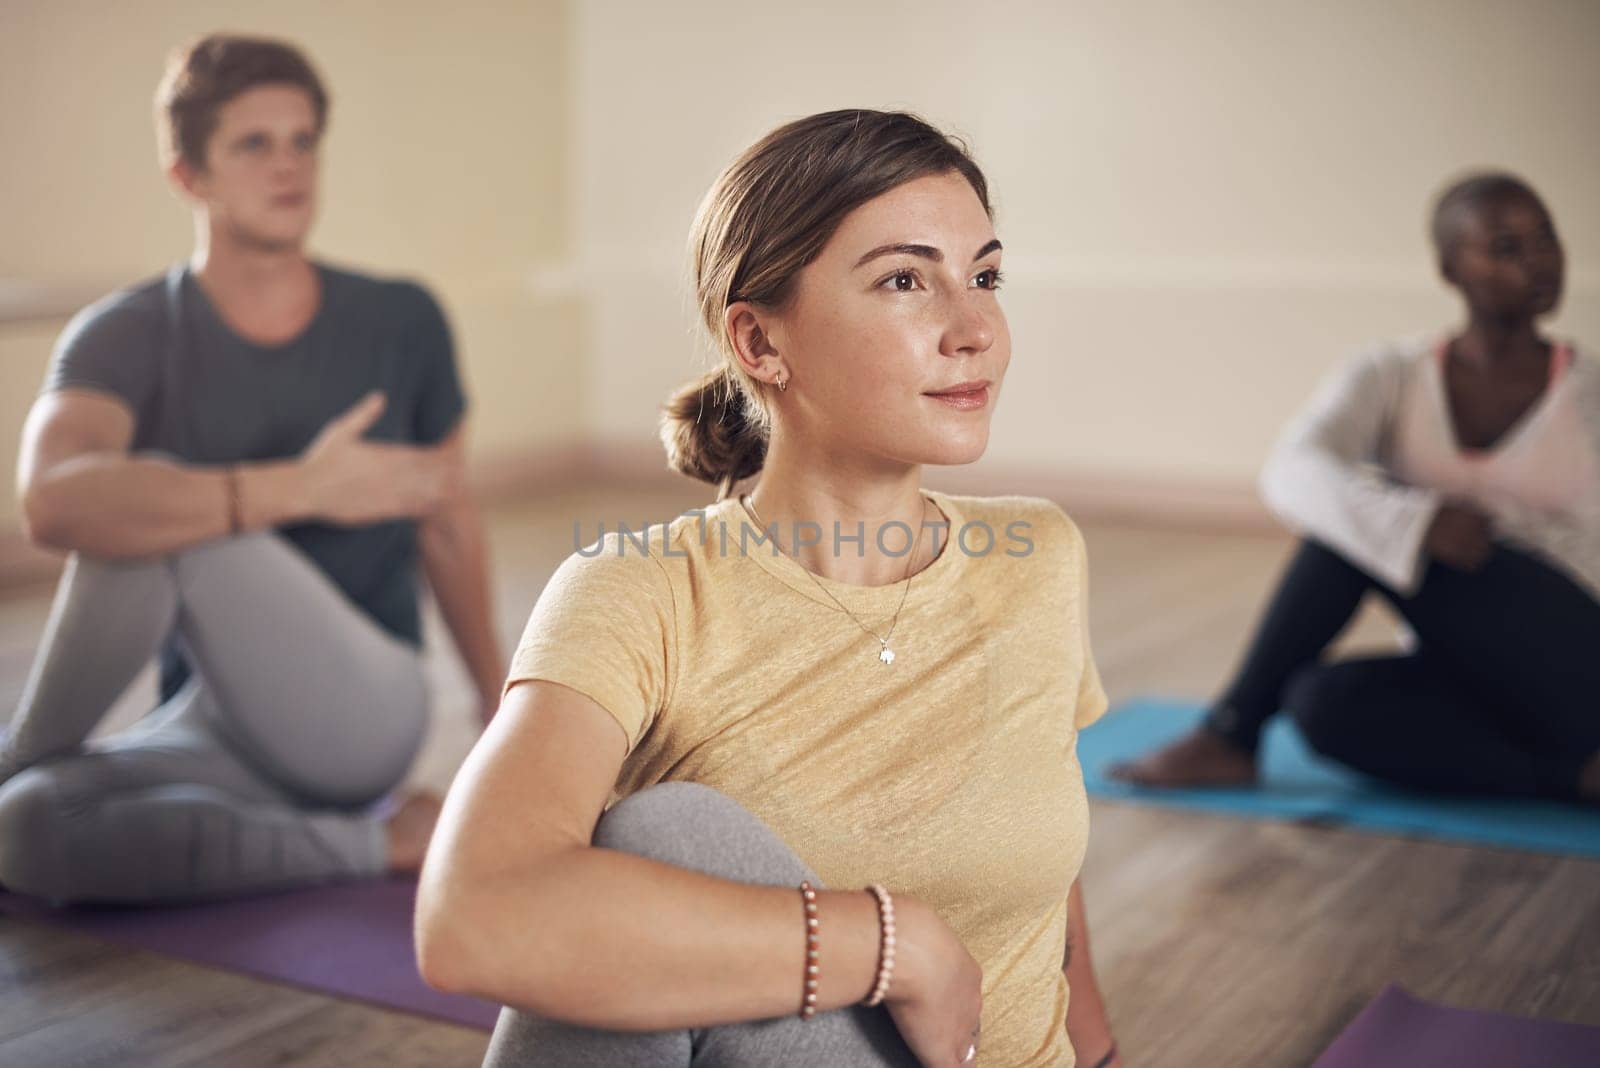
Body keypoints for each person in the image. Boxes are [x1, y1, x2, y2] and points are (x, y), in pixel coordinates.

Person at [415, 110, 1123, 1068]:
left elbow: (1051, 888)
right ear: (758, 342)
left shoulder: (1038, 554)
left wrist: (1105, 1056)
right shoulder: (639, 592)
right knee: (674, 834)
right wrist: (889, 945)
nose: (977, 329)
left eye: (986, 276)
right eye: (906, 280)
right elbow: (474, 915)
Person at [0, 33, 503, 903]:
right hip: (214, 722)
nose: (290, 166)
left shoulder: (401, 318)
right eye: (254, 144)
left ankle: (15, 757)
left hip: (364, 710)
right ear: (188, 175)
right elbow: (49, 505)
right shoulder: (124, 333)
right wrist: (300, 487)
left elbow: (449, 524)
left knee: (161, 506)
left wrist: (502, 710)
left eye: (304, 140)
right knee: (29, 826)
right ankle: (371, 846)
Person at [1109, 173, 1600, 804]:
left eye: (1545, 241)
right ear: (1451, 268)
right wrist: (1417, 523)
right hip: (1470, 668)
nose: (1538, 263)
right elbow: (1291, 469)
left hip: (1580, 662)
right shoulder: (1390, 374)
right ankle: (1575, 779)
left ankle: (1230, 733)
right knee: (1317, 701)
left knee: (1344, 539)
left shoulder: (1589, 394)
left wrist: (1403, 527)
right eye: (1506, 248)